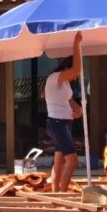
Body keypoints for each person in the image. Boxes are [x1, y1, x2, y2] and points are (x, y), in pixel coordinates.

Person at [45, 32, 83, 192]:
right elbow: (76, 69)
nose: (75, 77)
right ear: (66, 68)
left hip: (63, 124)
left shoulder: (64, 82)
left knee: (59, 161)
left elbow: (69, 100)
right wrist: (77, 43)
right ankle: (63, 194)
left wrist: (79, 110)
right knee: (72, 161)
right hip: (58, 124)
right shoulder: (55, 78)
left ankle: (56, 193)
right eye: (74, 75)